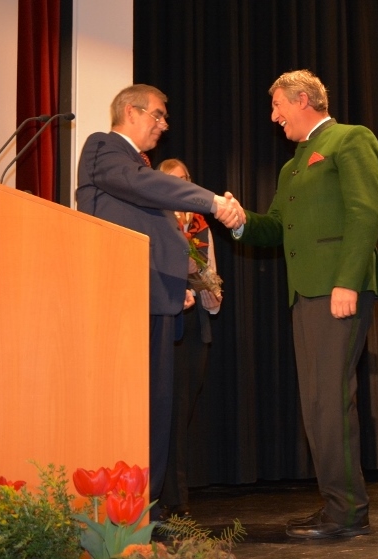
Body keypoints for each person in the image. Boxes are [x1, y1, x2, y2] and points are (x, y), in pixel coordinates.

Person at [230, 69, 378, 539]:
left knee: (330, 400)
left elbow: (365, 211)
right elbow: (276, 226)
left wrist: (348, 282)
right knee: (318, 403)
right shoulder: (292, 166)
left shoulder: (350, 139)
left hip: (338, 289)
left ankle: (348, 513)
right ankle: (337, 504)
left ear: (303, 99)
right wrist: (240, 221)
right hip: (305, 292)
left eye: (277, 105)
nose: (273, 116)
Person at [76, 84, 243, 519]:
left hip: (155, 299)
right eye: (158, 115)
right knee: (131, 413)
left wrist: (176, 281)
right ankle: (125, 516)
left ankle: (145, 515)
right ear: (131, 112)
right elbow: (141, 186)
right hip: (122, 299)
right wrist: (211, 201)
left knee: (157, 414)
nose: (164, 124)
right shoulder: (104, 148)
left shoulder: (139, 167)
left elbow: (151, 225)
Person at [156, 158, 222, 519]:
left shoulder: (201, 225)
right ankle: (174, 500)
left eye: (184, 179)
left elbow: (211, 278)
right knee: (166, 412)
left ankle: (174, 495)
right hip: (166, 322)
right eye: (171, 181)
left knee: (182, 414)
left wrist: (212, 296)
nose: (179, 186)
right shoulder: (154, 220)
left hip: (195, 327)